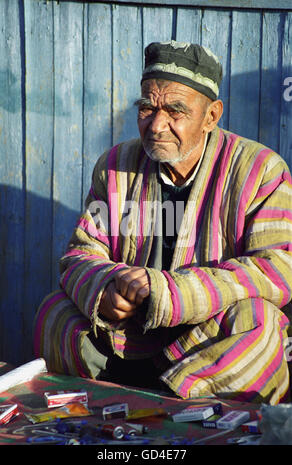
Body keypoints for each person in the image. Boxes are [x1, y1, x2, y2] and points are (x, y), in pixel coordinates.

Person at [34, 41, 292, 404]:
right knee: (55, 311)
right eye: (147, 108)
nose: (156, 125)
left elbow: (277, 270)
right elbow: (81, 253)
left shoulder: (260, 170)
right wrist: (106, 289)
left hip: (207, 343)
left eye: (175, 110)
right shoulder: (116, 164)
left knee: (258, 323)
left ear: (211, 116)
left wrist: (171, 292)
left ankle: (188, 414)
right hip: (129, 338)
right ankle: (98, 412)